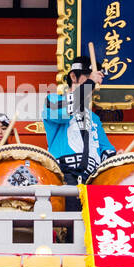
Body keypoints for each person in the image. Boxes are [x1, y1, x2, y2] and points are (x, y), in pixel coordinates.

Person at [42, 55, 116, 186]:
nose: (92, 82)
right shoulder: (53, 100)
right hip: (65, 176)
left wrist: (116, 158)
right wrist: (90, 83)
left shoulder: (94, 118)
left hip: (92, 180)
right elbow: (63, 112)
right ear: (73, 77)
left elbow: (106, 149)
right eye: (87, 77)